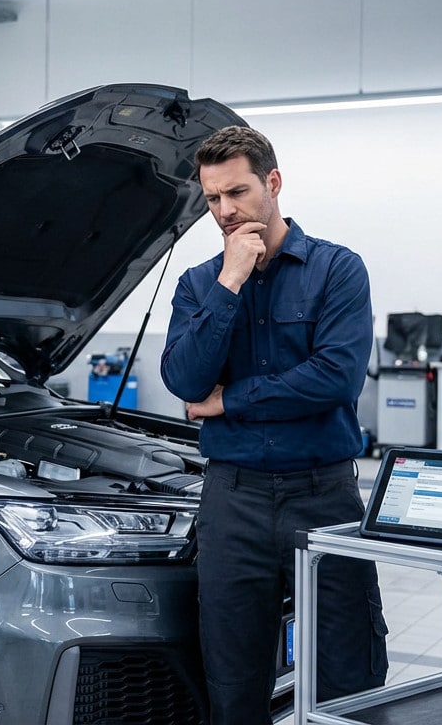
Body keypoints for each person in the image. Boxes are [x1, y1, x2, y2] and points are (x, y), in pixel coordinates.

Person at [160, 125, 387, 724]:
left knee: (350, 673)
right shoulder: (200, 284)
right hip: (232, 503)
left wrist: (231, 401)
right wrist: (230, 280)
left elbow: (336, 379)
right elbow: (184, 380)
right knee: (233, 684)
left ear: (274, 182)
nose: (226, 211)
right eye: (212, 199)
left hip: (324, 497)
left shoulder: (338, 270)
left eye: (237, 192)